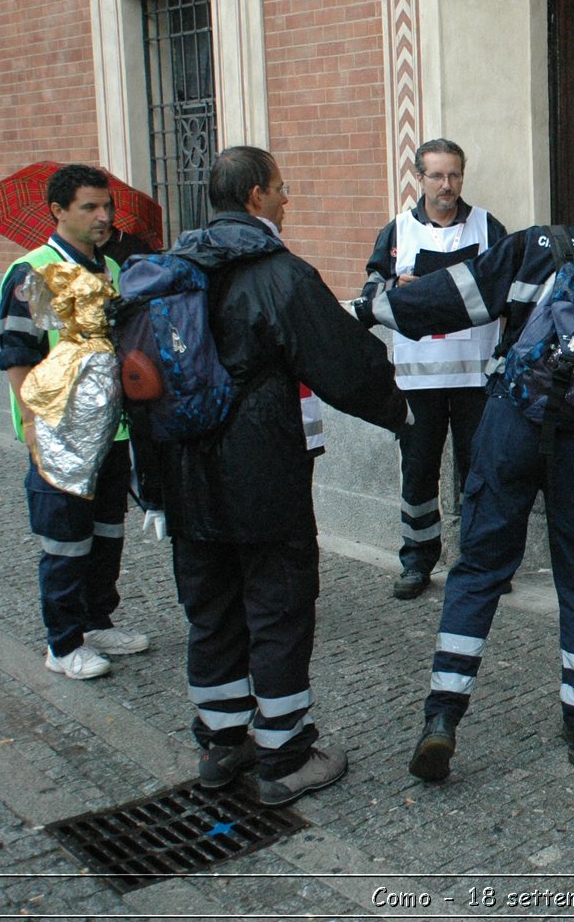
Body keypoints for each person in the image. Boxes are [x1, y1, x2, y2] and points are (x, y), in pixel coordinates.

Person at [355, 152, 574, 777]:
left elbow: (450, 298)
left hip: (509, 424)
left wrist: (373, 305)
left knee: (479, 569)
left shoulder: (540, 245)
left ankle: (442, 715)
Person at [140, 146, 408, 806]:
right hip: (260, 474)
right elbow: (346, 364)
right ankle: (285, 756)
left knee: (211, 609)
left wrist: (148, 483)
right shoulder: (280, 276)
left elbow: (138, 382)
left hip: (184, 473)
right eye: (282, 189)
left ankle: (222, 743)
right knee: (277, 607)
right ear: (257, 195)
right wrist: (407, 413)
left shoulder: (167, 272)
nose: (288, 200)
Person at [0, 164, 148, 680]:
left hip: (115, 429)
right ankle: (62, 644)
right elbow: (16, 352)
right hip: (60, 432)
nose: (103, 216)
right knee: (64, 541)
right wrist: (34, 424)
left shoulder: (114, 268)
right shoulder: (33, 272)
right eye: (89, 207)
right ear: (58, 211)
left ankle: (96, 621)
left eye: (106, 206)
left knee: (107, 533)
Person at [362, 139, 507, 600]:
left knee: (479, 473)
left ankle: (481, 562)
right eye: (438, 176)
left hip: (476, 379)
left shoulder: (488, 227)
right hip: (417, 380)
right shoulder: (397, 232)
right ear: (419, 178)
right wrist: (394, 288)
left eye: (455, 176)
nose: (448, 185)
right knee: (419, 473)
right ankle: (417, 560)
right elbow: (368, 298)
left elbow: (513, 290)